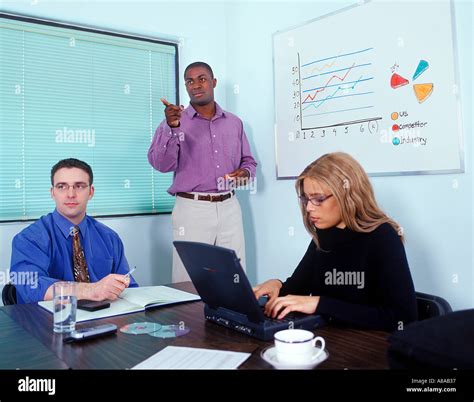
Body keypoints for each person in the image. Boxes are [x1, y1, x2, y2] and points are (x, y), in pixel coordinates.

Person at [253, 152, 417, 331]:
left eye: (318, 199)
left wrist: (320, 304)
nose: (308, 208)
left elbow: (403, 318)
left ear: (347, 195)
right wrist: (278, 285)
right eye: (306, 199)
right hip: (328, 339)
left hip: (367, 346)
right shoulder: (324, 233)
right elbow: (298, 290)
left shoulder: (383, 236)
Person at [148, 61, 257, 282]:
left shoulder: (234, 123)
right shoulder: (174, 121)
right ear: (186, 87)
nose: (196, 85)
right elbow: (161, 164)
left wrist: (244, 174)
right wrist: (172, 127)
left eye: (202, 79)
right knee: (188, 276)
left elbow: (249, 162)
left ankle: (232, 317)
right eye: (190, 81)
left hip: (229, 206)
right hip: (192, 208)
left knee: (235, 273)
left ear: (213, 82)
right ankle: (186, 318)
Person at [10, 158, 137, 304]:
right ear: (53, 193)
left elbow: (128, 288)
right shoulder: (29, 239)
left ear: (91, 192)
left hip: (103, 320)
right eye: (62, 186)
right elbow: (31, 285)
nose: (71, 194)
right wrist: (91, 290)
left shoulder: (110, 238)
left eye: (79, 186)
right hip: (49, 322)